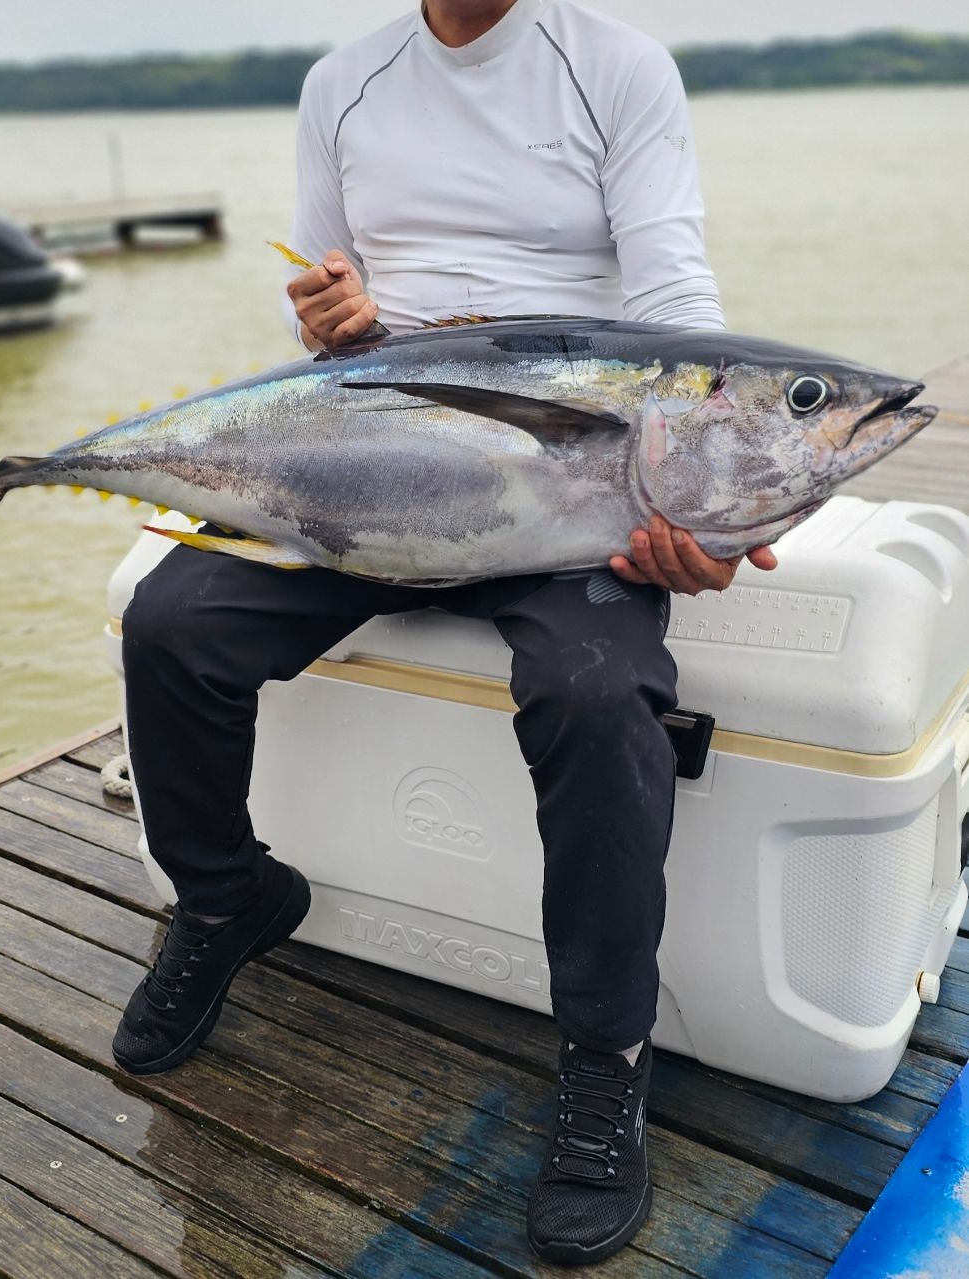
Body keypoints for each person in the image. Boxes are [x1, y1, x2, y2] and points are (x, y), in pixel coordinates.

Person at [112, 0, 777, 1266]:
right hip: (376, 470)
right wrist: (331, 321)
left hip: (568, 496)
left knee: (594, 691)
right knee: (172, 619)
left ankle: (602, 1049)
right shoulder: (344, 82)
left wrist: (717, 491)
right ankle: (225, 899)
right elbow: (316, 311)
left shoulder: (614, 69)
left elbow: (676, 303)